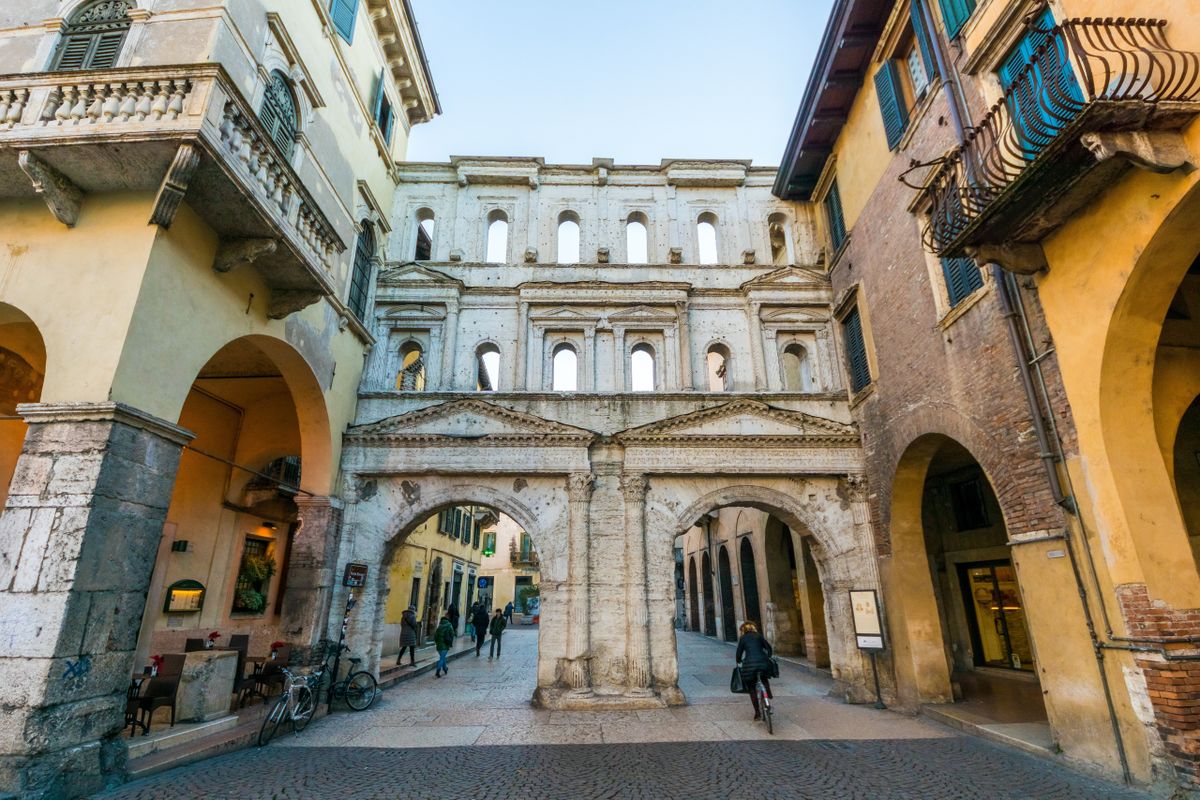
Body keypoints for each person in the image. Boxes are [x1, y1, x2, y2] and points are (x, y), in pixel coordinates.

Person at [735, 621, 774, 720]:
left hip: (749, 665)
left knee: (752, 688)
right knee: (764, 678)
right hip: (763, 662)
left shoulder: (743, 638)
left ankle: (757, 713)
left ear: (743, 630)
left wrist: (739, 661)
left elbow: (738, 654)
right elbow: (769, 648)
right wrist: (768, 657)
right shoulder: (759, 636)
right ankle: (768, 692)